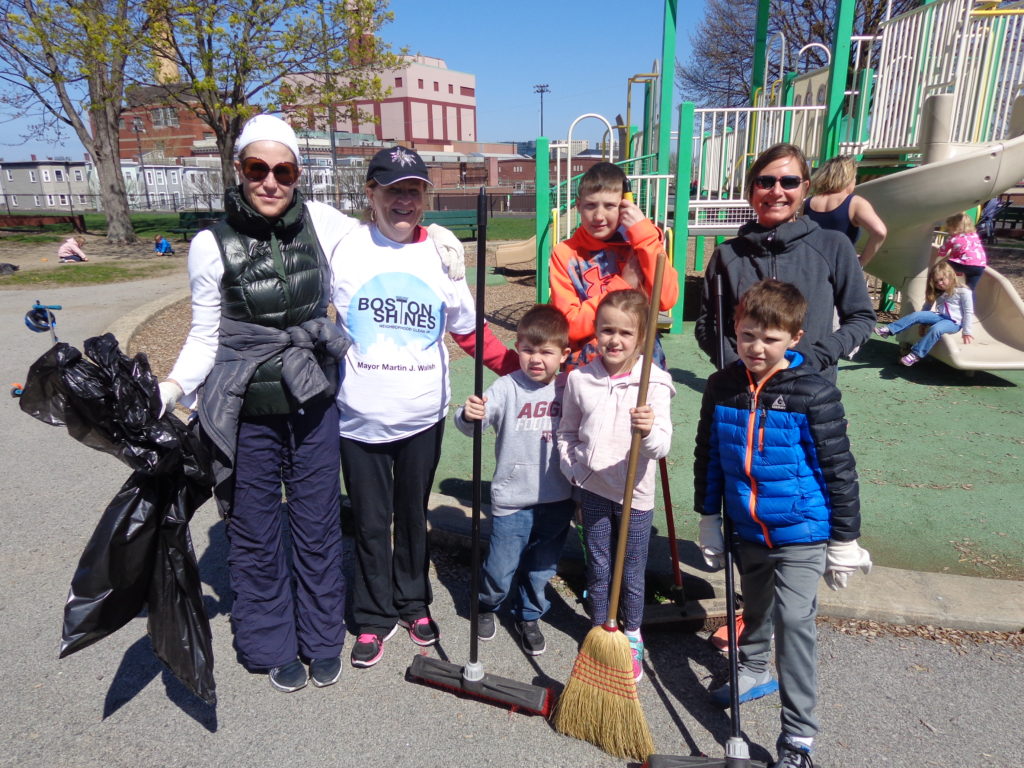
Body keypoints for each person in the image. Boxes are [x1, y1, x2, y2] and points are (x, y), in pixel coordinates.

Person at [156, 114, 361, 694]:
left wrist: (436, 245)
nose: (271, 182)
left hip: (311, 398)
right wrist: (172, 389)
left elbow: (381, 236)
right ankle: (270, 641)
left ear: (298, 174)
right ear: (239, 170)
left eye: (283, 170)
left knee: (318, 521)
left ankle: (322, 636)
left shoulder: (321, 222)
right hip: (245, 405)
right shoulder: (210, 244)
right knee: (254, 526)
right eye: (257, 168)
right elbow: (205, 335)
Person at [328, 145, 518, 669]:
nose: (404, 201)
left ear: (425, 198)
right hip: (358, 420)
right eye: (393, 190)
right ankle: (371, 616)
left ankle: (413, 603)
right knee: (370, 522)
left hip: (421, 418)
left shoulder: (440, 255)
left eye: (414, 191)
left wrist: (521, 367)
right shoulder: (345, 247)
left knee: (413, 516)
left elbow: (469, 331)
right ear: (371, 194)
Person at [694, 279, 871, 768]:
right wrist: (709, 516)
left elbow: (839, 469)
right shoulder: (722, 385)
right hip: (746, 528)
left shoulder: (812, 392)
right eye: (748, 334)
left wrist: (844, 539)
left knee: (794, 621)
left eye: (770, 338)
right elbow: (708, 455)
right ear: (734, 329)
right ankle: (752, 668)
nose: (756, 347)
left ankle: (797, 736)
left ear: (794, 338)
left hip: (801, 532)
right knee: (754, 608)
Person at [557, 289, 675, 682]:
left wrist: (648, 430)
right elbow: (567, 431)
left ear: (641, 338)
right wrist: (575, 469)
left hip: (634, 495)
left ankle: (632, 632)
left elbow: (661, 446)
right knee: (599, 562)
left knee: (632, 569)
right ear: (594, 331)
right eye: (607, 330)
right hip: (592, 488)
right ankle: (599, 629)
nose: (615, 340)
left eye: (625, 333)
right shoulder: (580, 379)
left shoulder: (653, 382)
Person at [694, 143, 875, 384]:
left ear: (805, 189)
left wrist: (818, 356)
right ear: (751, 190)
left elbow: (861, 317)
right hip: (743, 390)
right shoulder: (728, 254)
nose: (776, 191)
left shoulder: (833, 246)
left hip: (810, 388)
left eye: (789, 182)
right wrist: (735, 364)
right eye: (765, 182)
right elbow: (708, 324)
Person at [454, 304, 574, 656]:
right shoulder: (507, 387)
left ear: (563, 354)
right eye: (528, 350)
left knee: (541, 567)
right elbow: (471, 423)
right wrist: (469, 413)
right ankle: (487, 604)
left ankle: (529, 614)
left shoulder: (569, 389)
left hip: (557, 497)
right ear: (517, 348)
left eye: (546, 352)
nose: (536, 359)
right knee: (500, 565)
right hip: (512, 497)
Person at [548, 161, 679, 370]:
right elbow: (570, 327)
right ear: (578, 205)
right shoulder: (566, 253)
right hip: (588, 370)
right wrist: (623, 284)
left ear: (625, 207)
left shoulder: (642, 246)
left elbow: (665, 300)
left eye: (610, 206)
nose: (599, 216)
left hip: (639, 367)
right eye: (591, 205)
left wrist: (645, 238)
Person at [874, 259, 973, 366]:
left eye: (941, 279)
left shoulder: (963, 292)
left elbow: (968, 312)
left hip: (954, 323)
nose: (939, 283)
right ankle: (889, 330)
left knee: (936, 329)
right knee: (917, 315)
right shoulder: (938, 291)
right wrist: (922, 323)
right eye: (936, 281)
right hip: (940, 316)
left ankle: (915, 355)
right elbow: (927, 306)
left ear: (950, 276)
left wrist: (967, 331)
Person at [803, 155, 887, 267]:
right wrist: (862, 261)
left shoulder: (808, 202)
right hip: (840, 267)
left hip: (811, 266)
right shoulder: (855, 203)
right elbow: (880, 232)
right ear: (849, 178)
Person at [935, 212, 987, 295]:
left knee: (941, 270)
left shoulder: (953, 238)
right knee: (970, 290)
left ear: (954, 227)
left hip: (963, 263)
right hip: (980, 266)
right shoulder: (974, 235)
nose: (948, 231)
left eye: (949, 228)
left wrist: (939, 260)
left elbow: (942, 252)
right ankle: (969, 307)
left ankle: (937, 295)